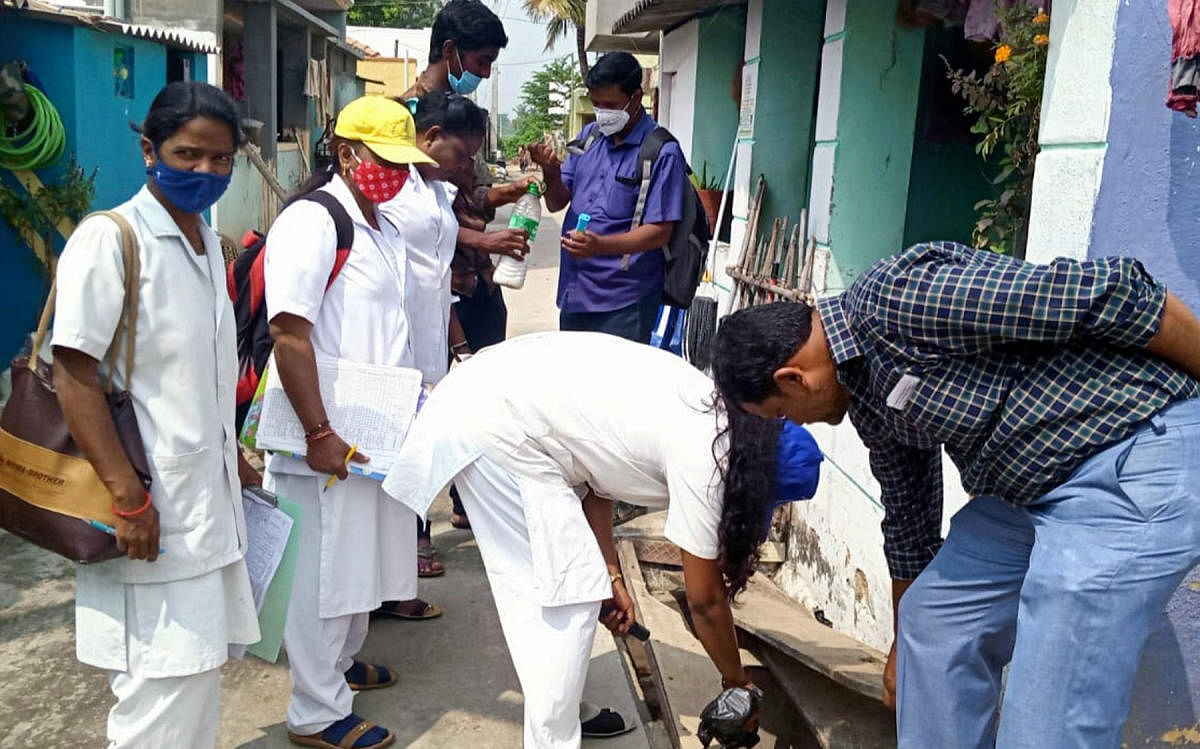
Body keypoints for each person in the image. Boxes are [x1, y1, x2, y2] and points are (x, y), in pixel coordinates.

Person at [709, 242, 1200, 749]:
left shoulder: (899, 301)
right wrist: (902, 644)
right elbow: (909, 514)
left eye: (782, 414)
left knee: (1047, 709)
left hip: (1134, 452)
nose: (794, 425)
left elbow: (1117, 291)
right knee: (933, 625)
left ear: (794, 379)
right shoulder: (864, 394)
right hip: (1033, 496)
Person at [382, 332, 824, 748]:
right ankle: (554, 738)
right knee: (562, 600)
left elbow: (599, 484)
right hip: (498, 424)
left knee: (580, 583)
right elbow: (704, 600)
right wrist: (737, 683)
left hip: (512, 403)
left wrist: (611, 572)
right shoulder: (708, 460)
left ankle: (564, 709)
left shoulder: (719, 416)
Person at [51, 81, 260, 748]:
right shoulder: (111, 240)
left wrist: (234, 458)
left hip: (203, 501)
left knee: (193, 680)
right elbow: (74, 374)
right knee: (159, 694)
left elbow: (197, 376)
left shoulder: (205, 244)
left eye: (221, 159)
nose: (205, 171)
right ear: (149, 149)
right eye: (188, 154)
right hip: (150, 507)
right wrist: (128, 497)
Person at [262, 95, 435, 749]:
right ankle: (314, 707)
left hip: (373, 427)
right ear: (346, 154)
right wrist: (318, 432)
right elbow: (289, 331)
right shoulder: (314, 221)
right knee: (322, 567)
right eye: (386, 161)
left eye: (404, 163)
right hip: (325, 432)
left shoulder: (381, 226)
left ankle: (336, 668)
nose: (397, 174)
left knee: (359, 555)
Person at [396, 0, 537, 543]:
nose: (483, 75)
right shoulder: (404, 119)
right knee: (416, 409)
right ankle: (410, 534)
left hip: (473, 285)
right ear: (450, 51)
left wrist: (509, 193)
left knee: (479, 397)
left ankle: (468, 501)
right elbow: (410, 215)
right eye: (479, 63)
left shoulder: (463, 117)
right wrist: (483, 236)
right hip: (429, 289)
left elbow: (465, 192)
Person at [373, 90, 486, 608]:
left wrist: (455, 339)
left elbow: (437, 278)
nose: (467, 167)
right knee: (386, 463)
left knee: (416, 454)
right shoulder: (392, 190)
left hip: (430, 345)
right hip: (388, 347)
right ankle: (389, 575)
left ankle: (396, 580)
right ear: (431, 137)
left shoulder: (436, 193)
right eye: (461, 155)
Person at [529, 52, 688, 345]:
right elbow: (556, 202)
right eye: (596, 104)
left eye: (611, 105)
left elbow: (659, 232)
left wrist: (600, 246)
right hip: (575, 293)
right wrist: (550, 171)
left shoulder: (661, 152)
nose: (602, 113)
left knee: (614, 388)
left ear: (636, 98)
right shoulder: (589, 136)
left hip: (624, 302)